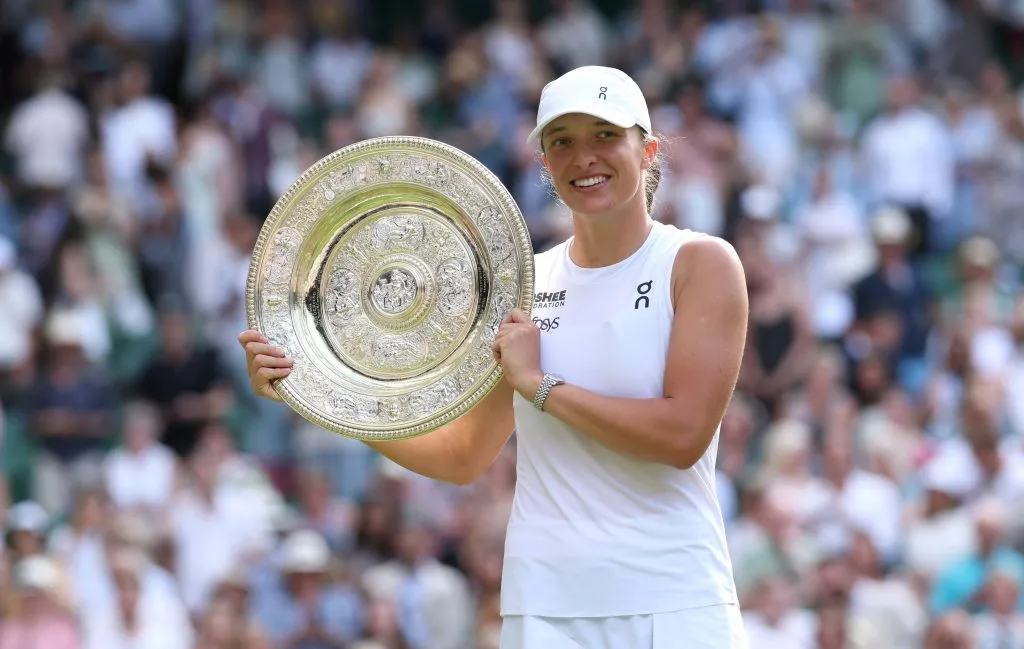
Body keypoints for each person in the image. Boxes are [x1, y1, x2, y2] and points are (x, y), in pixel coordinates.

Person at [239, 65, 750, 648]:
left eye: (605, 135)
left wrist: (541, 386)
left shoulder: (700, 263)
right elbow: (461, 456)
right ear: (545, 164)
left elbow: (682, 436)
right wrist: (314, 390)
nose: (584, 156)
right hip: (544, 608)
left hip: (676, 602)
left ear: (648, 149)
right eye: (563, 142)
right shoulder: (522, 284)